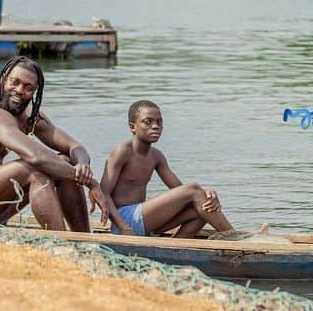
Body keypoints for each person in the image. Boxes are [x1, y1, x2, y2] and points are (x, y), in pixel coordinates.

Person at [0, 56, 123, 231]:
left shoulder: (26, 116)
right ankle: (65, 242)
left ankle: (84, 238)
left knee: (63, 161)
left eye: (28, 87)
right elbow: (36, 158)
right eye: (15, 82)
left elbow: (74, 147)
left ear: (34, 92)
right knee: (33, 169)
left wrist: (82, 166)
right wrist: (91, 183)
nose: (19, 91)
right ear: (4, 78)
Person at [100, 99, 235, 237]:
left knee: (202, 207)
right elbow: (103, 193)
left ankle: (178, 247)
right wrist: (123, 227)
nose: (155, 126)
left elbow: (180, 190)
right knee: (194, 189)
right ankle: (234, 239)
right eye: (148, 122)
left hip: (143, 220)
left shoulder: (156, 156)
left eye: (159, 122)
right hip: (125, 220)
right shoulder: (122, 152)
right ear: (132, 126)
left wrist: (206, 193)